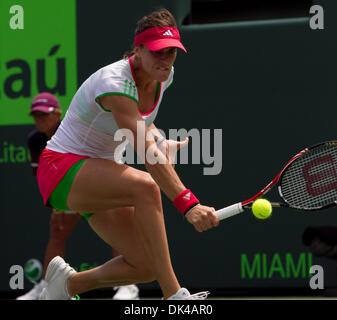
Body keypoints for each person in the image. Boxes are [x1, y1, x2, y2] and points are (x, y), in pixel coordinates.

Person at [37, 8, 219, 300]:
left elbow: (142, 123)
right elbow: (146, 154)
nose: (165, 60)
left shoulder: (165, 76)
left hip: (98, 173)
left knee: (146, 265)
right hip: (61, 168)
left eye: (171, 52)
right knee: (146, 186)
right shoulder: (115, 84)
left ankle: (68, 286)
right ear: (138, 50)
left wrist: (160, 140)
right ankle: (174, 296)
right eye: (158, 52)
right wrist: (189, 204)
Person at [17, 93, 138, 300]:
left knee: (117, 229)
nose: (40, 119)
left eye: (44, 115)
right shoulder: (35, 140)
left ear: (58, 114)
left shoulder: (74, 130)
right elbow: (43, 177)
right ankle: (46, 287)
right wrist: (59, 204)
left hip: (94, 183)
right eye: (36, 115)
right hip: (68, 188)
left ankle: (128, 286)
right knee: (57, 229)